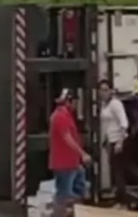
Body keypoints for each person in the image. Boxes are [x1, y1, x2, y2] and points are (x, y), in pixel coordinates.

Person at [49, 88, 91, 217]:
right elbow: (67, 138)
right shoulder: (61, 116)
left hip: (71, 163)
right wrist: (82, 154)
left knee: (79, 188)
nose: (76, 105)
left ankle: (76, 212)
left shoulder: (65, 115)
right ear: (68, 101)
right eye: (74, 102)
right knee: (63, 194)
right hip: (64, 164)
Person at [98, 80, 129, 208]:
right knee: (114, 170)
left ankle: (121, 200)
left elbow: (124, 123)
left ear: (111, 90)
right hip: (110, 140)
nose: (103, 93)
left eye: (106, 90)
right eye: (101, 90)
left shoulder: (116, 104)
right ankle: (118, 196)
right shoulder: (104, 105)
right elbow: (106, 125)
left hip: (118, 140)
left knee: (118, 171)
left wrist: (120, 142)